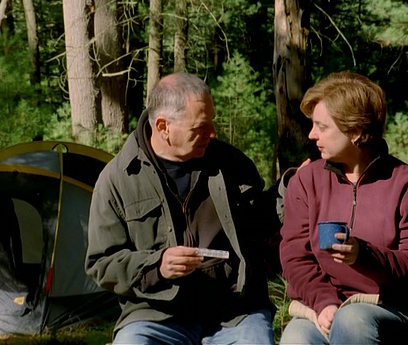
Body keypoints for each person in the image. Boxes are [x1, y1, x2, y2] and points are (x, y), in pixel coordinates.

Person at [85, 72, 279, 344]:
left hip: (235, 312)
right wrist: (157, 265)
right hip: (155, 315)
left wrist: (290, 189)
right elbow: (101, 264)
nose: (212, 133)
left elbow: (263, 221)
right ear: (163, 126)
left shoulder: (232, 163)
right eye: (200, 127)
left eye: (212, 122)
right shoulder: (118, 178)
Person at [279, 71, 408, 344]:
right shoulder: (306, 181)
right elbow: (295, 257)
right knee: (296, 336)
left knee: (353, 319)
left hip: (396, 311)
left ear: (354, 132)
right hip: (325, 309)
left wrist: (363, 255)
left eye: (322, 126)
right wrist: (324, 302)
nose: (311, 134)